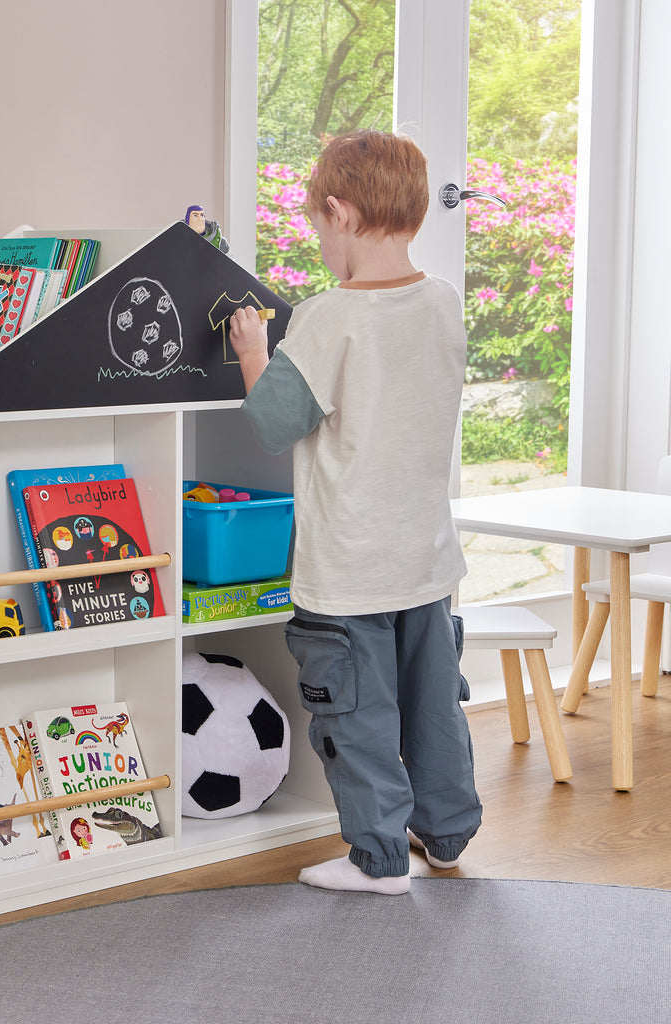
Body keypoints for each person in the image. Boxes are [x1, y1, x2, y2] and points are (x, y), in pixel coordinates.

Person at [228, 129, 482, 895]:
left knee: (359, 716)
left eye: (317, 228)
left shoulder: (328, 315)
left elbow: (275, 423)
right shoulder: (443, 302)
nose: (321, 247)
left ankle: (377, 860)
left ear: (338, 211)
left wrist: (252, 347)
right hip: (426, 560)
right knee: (434, 706)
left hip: (349, 570)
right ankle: (445, 836)